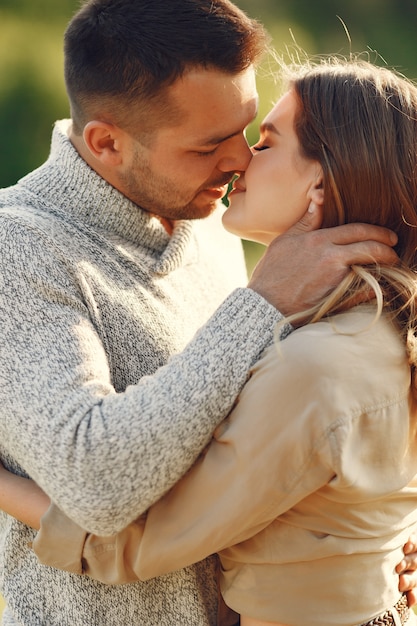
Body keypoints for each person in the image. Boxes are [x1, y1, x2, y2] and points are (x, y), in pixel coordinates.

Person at [0, 0, 406, 623]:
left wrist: (361, 557)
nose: (240, 159)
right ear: (106, 142)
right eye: (210, 144)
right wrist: (258, 305)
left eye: (249, 132)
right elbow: (96, 486)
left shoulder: (207, 218)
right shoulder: (20, 250)